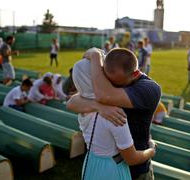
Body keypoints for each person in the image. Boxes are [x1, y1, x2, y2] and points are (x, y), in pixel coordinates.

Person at [67, 48, 161, 180]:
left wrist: (94, 56)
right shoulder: (108, 88)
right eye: (106, 79)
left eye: (117, 83)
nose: (110, 85)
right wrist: (98, 106)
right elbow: (72, 102)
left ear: (135, 74)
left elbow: (103, 95)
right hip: (116, 164)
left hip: (137, 169)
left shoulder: (150, 89)